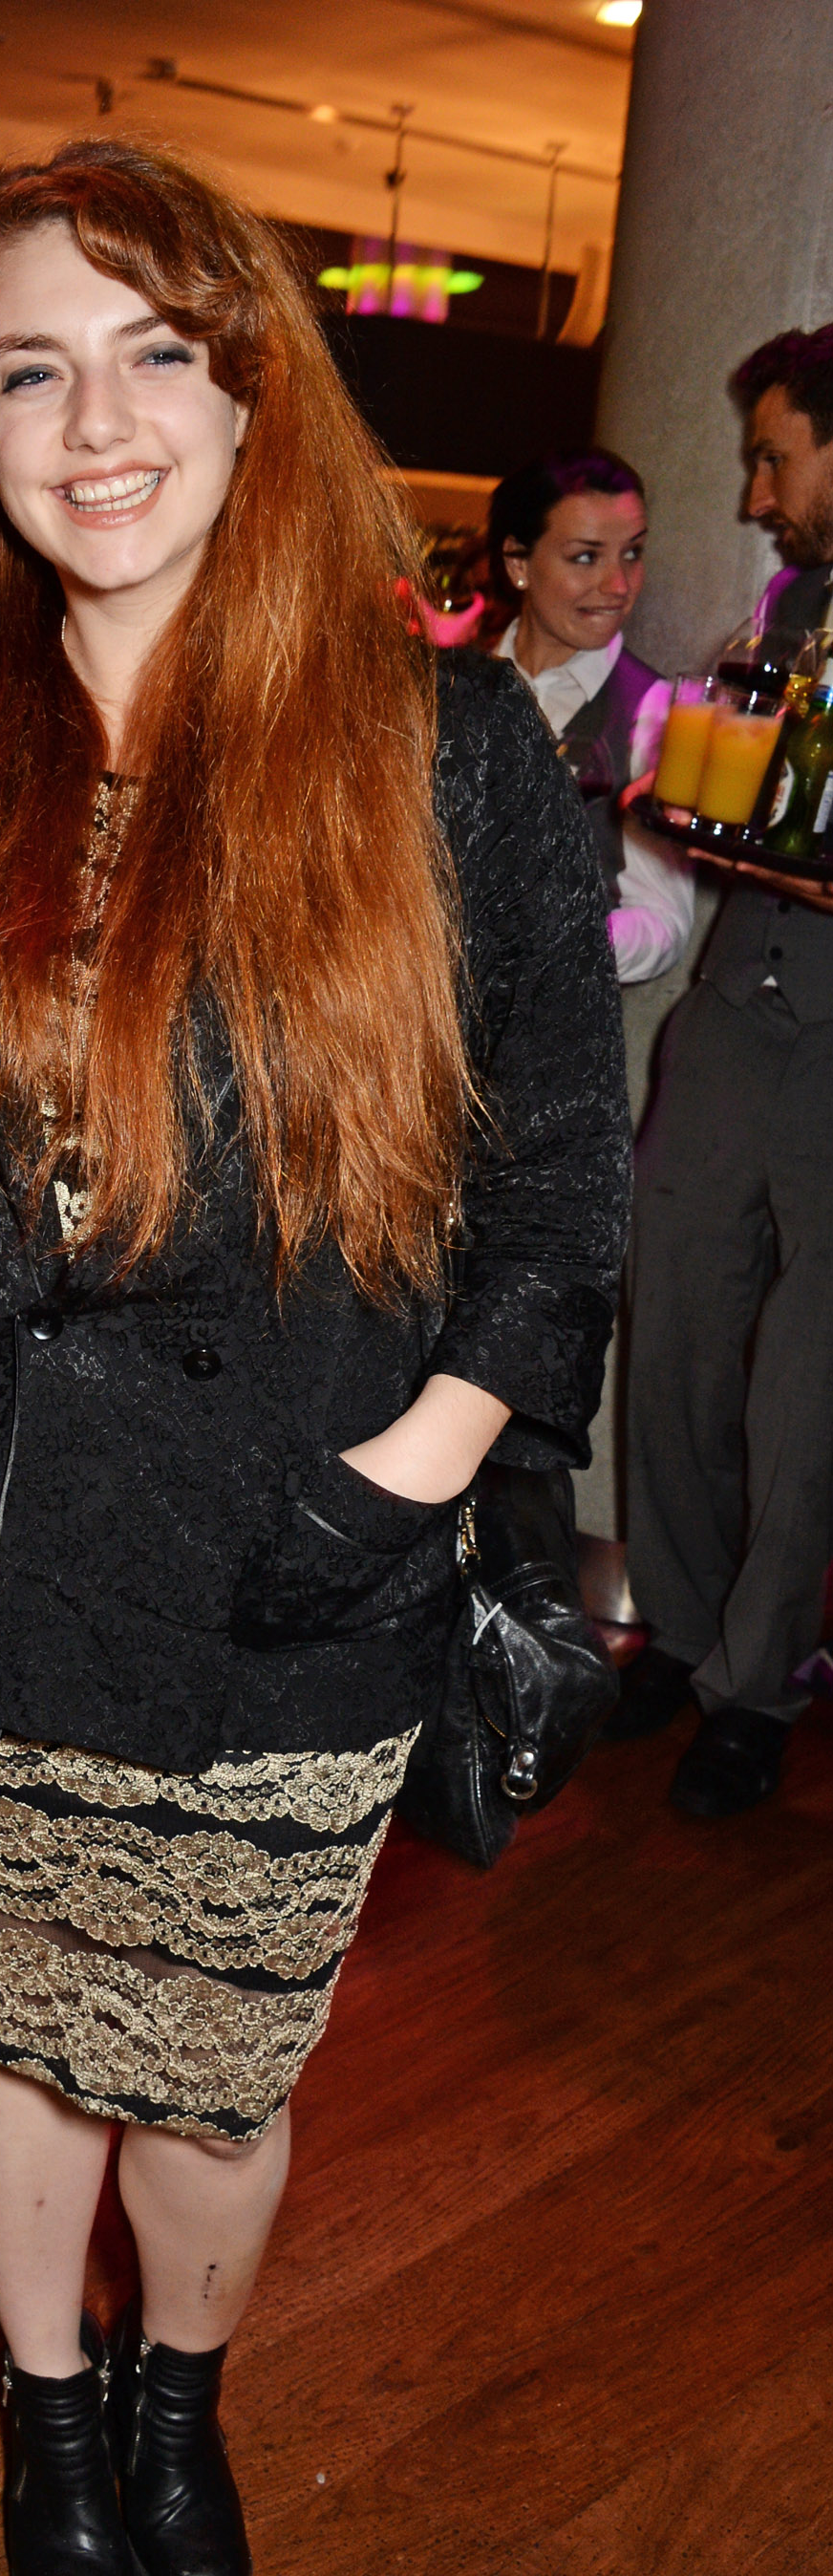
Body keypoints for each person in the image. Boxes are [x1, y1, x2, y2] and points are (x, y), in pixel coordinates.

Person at [0, 141, 630, 2576]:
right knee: (8, 2027)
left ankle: (178, 2398)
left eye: (153, 353)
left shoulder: (438, 742)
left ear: (252, 388)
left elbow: (556, 1171)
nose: (94, 424)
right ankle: (47, 2414)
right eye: (26, 370)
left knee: (209, 2074)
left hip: (291, 1554)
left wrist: (403, 1476)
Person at [605, 323, 833, 1814]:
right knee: (675, 1324)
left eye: (772, 458)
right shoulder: (787, 606)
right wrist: (681, 789)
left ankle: (752, 1688)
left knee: (802, 1390)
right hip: (734, 1002)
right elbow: (736, 799)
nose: (753, 495)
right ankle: (679, 1636)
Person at [486, 449, 694, 984]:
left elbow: (664, 920)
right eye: (586, 557)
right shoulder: (449, 682)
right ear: (518, 564)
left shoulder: (654, 711)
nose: (619, 585)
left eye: (632, 553)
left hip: (550, 1024)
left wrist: (556, 943)